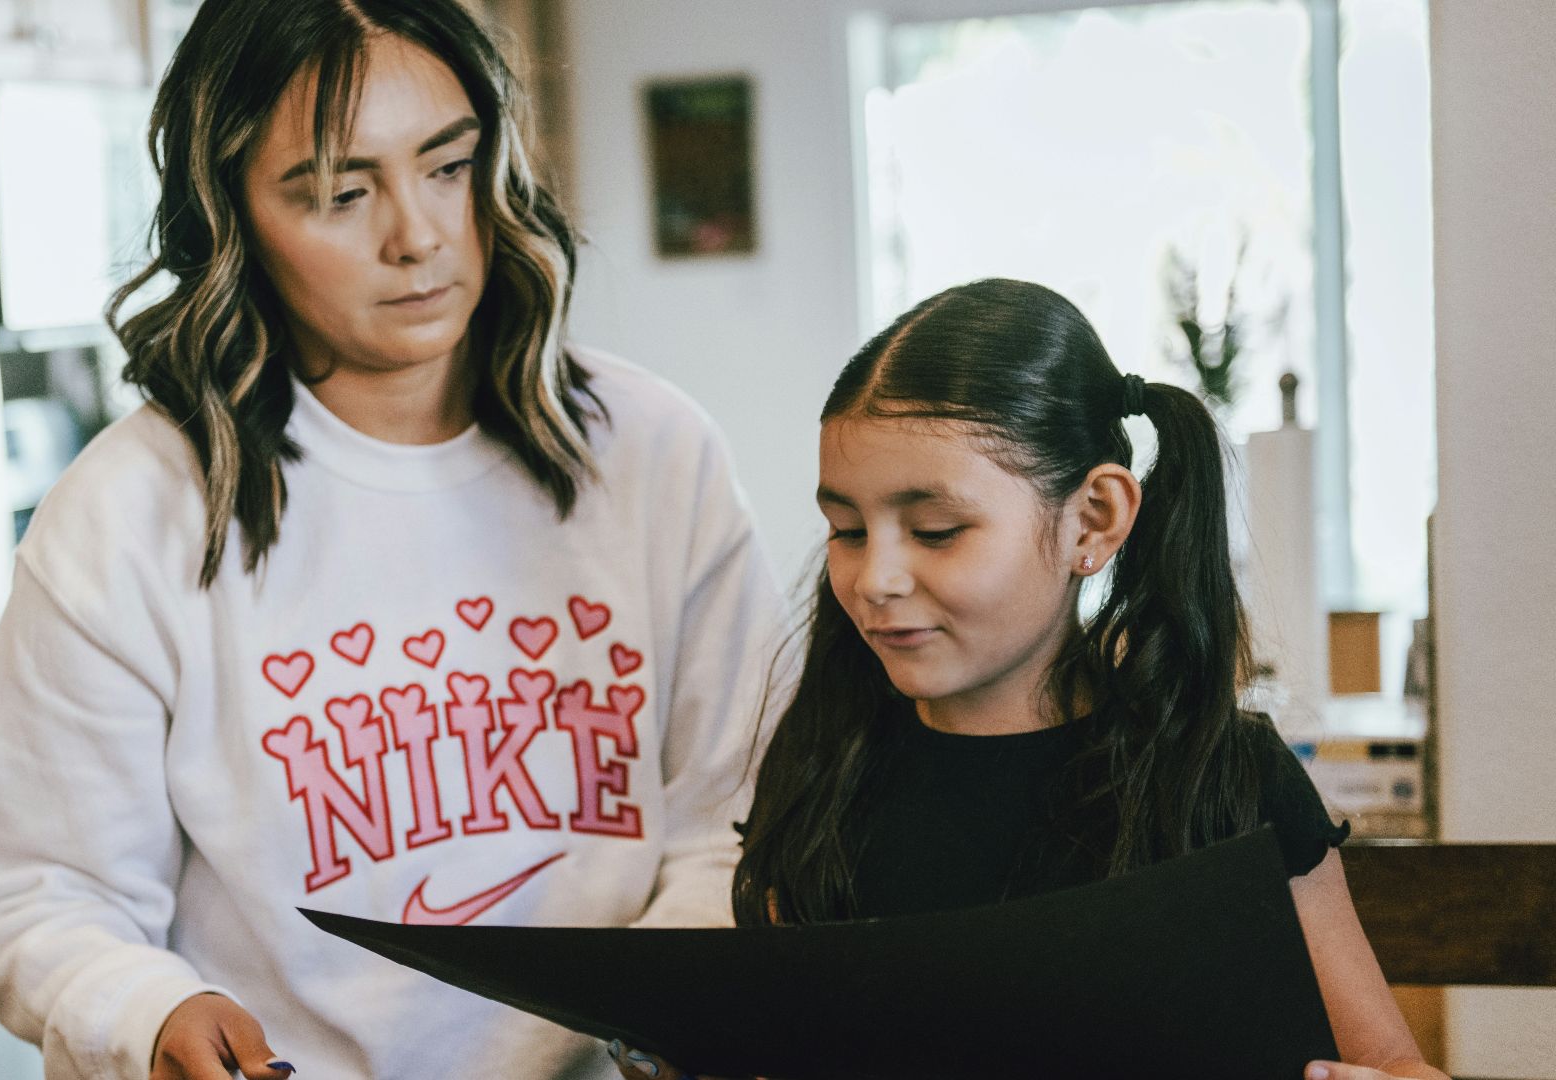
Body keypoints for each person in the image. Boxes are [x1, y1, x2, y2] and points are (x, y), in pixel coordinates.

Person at [0, 2, 783, 1078]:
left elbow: (737, 815)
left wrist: (668, 1014)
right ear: (229, 212)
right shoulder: (130, 514)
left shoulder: (654, 454)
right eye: (341, 193)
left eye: (447, 167)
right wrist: (150, 1013)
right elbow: (37, 891)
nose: (418, 234)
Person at [610, 279, 1445, 1080]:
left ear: (1095, 518)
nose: (875, 578)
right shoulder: (828, 769)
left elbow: (1393, 1061)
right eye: (847, 529)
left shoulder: (1219, 779)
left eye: (936, 531)